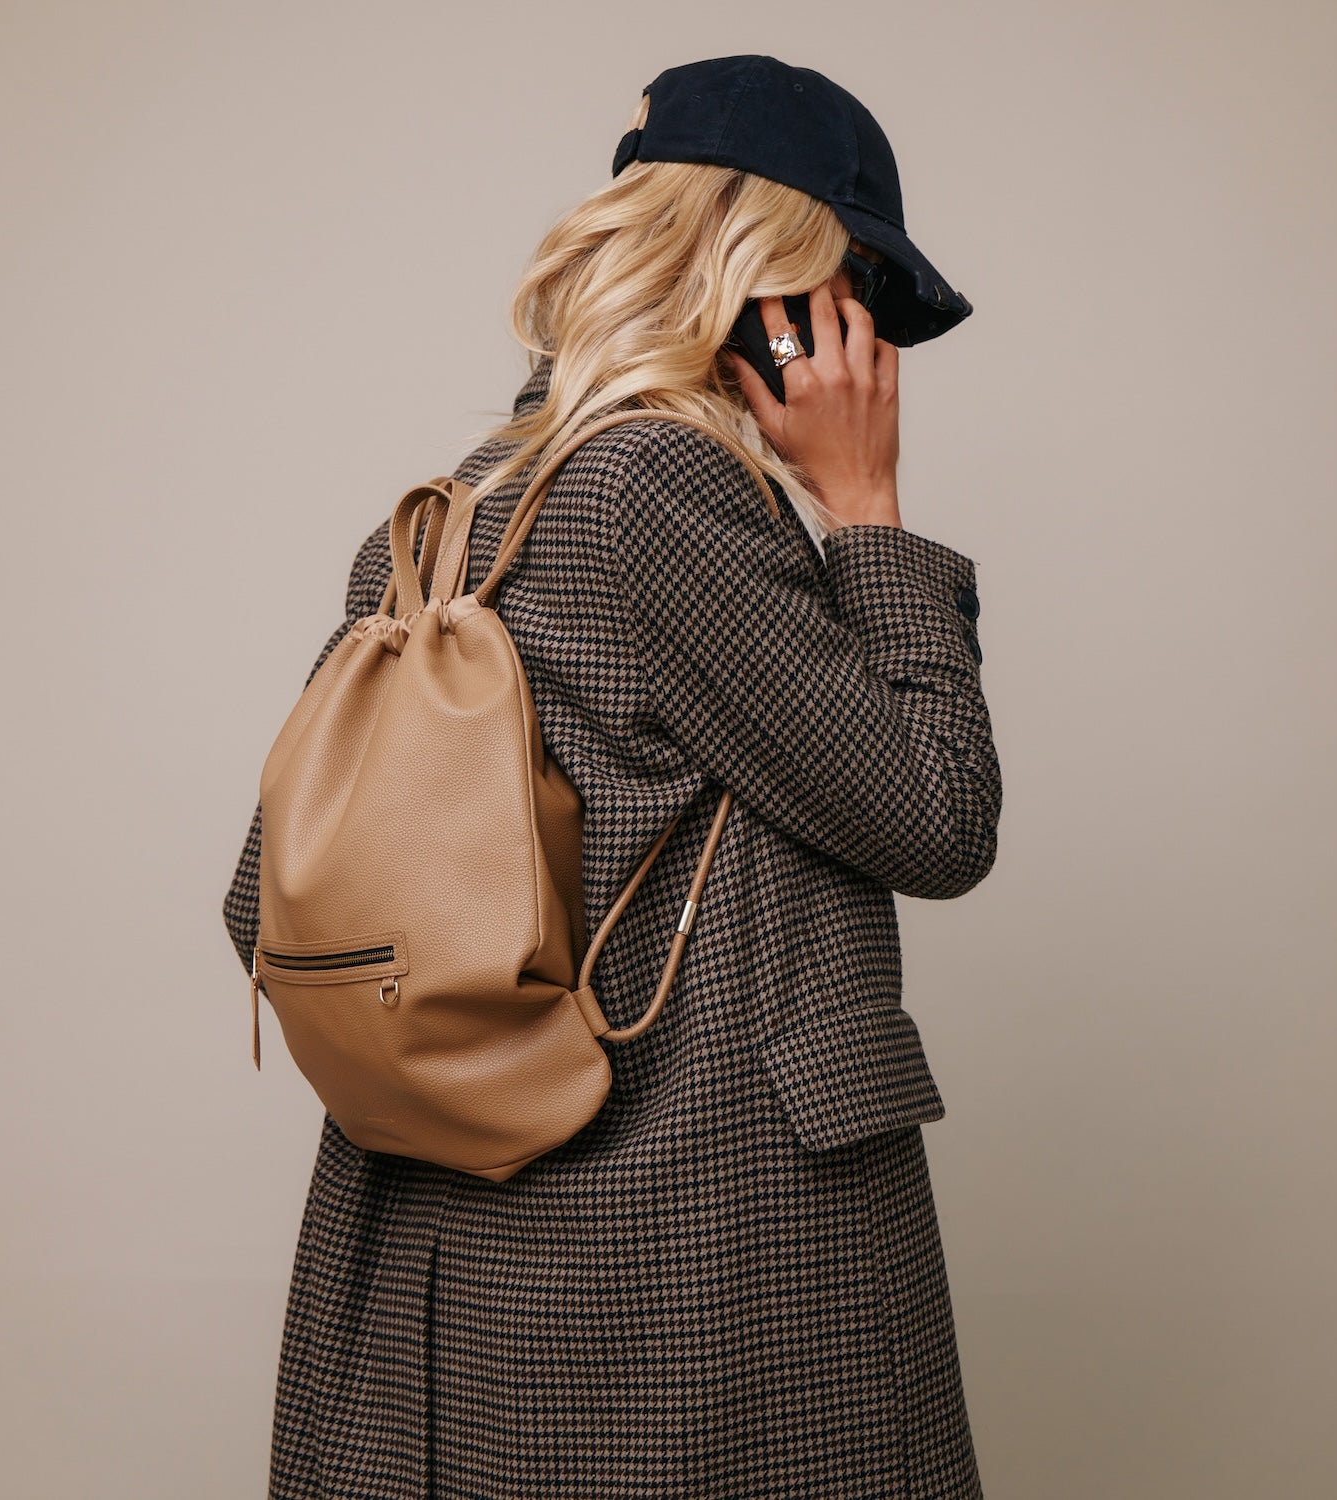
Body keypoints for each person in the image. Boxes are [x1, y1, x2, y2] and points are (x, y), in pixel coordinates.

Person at [223, 53, 1000, 1499]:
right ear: (774, 289)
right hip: (695, 1253)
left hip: (448, 1256)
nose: (867, 355)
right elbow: (938, 817)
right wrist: (873, 515)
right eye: (855, 303)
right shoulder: (664, 494)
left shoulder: (453, 511)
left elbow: (262, 903)